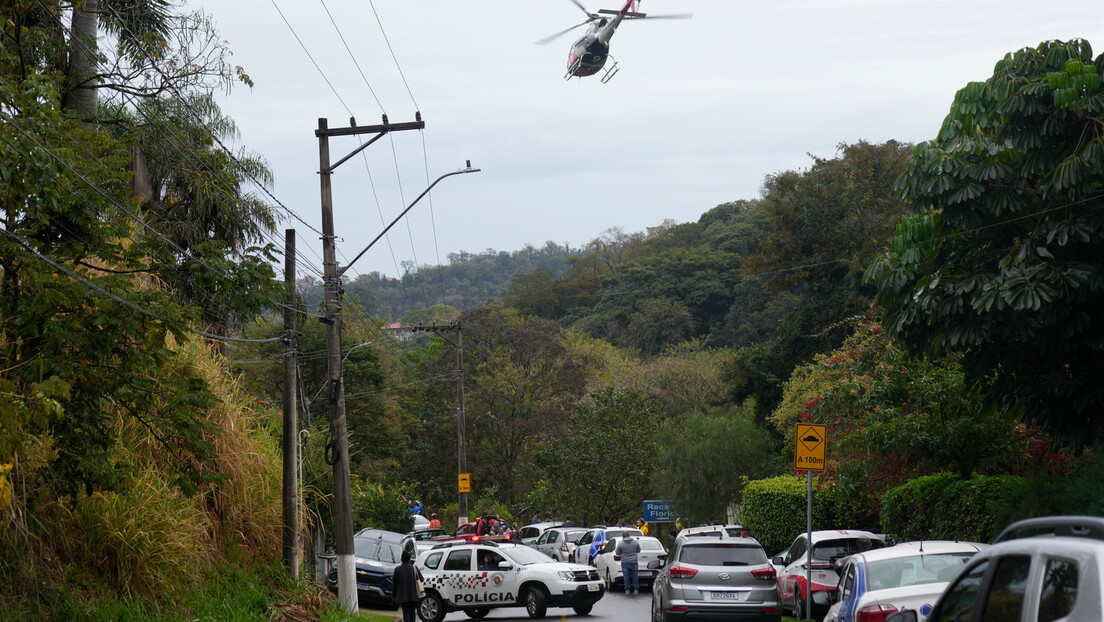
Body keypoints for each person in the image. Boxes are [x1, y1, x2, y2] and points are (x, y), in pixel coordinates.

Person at [392, 550, 421, 622]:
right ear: (410, 559)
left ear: (401, 558)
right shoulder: (414, 568)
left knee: (406, 612)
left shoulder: (398, 569)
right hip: (414, 594)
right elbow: (421, 579)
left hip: (403, 595)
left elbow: (395, 583)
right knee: (412, 612)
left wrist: (393, 595)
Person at [615, 531, 642, 595]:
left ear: (623, 536)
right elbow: (638, 550)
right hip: (634, 562)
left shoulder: (620, 544)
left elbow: (617, 553)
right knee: (635, 575)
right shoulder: (635, 543)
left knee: (626, 576)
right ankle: (636, 589)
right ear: (629, 535)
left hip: (625, 562)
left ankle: (627, 589)